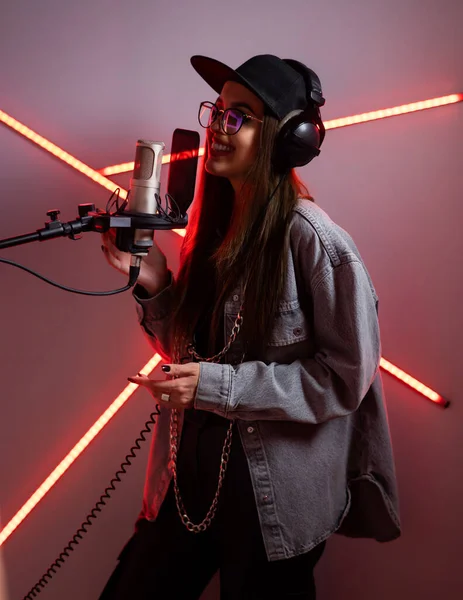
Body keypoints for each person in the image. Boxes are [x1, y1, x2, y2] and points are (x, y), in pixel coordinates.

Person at [99, 54, 401, 600]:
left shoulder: (317, 242)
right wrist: (154, 282)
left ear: (289, 140)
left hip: (270, 508)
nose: (217, 127)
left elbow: (344, 379)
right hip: (188, 492)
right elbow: (190, 351)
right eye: (216, 112)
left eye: (238, 117)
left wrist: (216, 388)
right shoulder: (211, 231)